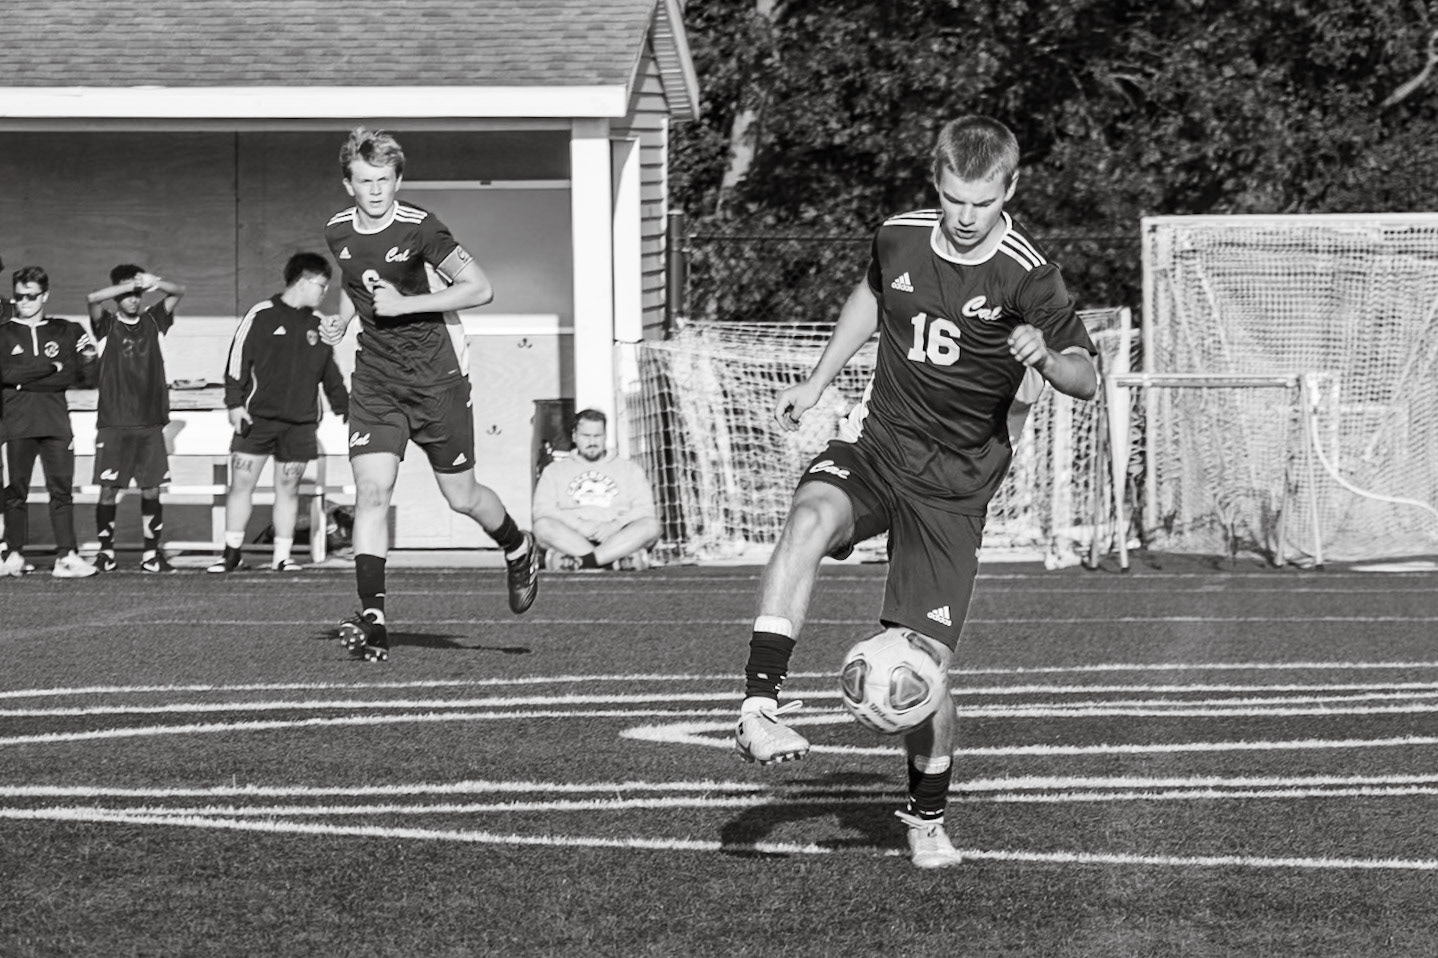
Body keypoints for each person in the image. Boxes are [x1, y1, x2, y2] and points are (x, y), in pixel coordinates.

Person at [731, 116, 1098, 869]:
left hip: (954, 492)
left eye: (983, 202)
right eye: (955, 199)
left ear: (1010, 190)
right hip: (879, 450)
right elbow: (872, 297)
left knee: (924, 668)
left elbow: (1085, 376)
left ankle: (926, 816)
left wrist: (1048, 359)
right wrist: (818, 380)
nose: (967, 217)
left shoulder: (1030, 276)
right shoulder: (899, 236)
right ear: (937, 185)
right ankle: (758, 708)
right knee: (807, 516)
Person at [319, 127, 540, 663]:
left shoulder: (421, 228)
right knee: (372, 493)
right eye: (365, 180)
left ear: (399, 180)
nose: (376, 190)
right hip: (376, 379)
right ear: (348, 184)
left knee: (461, 497)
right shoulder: (336, 231)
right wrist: (340, 321)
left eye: (385, 180)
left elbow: (480, 287)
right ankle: (374, 616)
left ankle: (517, 544)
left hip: (437, 376)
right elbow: (354, 287)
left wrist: (405, 305)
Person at [208, 252, 350, 574]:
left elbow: (331, 374)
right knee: (242, 484)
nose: (324, 294)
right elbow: (237, 362)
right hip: (257, 420)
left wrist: (345, 408)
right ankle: (231, 553)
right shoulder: (261, 315)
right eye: (322, 286)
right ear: (302, 281)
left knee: (289, 489)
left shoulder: (318, 325)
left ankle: (282, 557)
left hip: (299, 424)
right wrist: (234, 404)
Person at [86, 263, 186, 573]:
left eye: (137, 294)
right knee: (109, 489)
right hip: (114, 421)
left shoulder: (154, 320)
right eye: (128, 294)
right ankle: (106, 552)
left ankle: (151, 554)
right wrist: (126, 285)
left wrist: (153, 282)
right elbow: (92, 298)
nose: (134, 299)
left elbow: (178, 292)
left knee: (151, 488)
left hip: (149, 422)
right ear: (118, 294)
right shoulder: (106, 324)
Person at [0, 267, 99, 577]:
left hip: (56, 422)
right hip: (16, 423)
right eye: (19, 296)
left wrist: (28, 378)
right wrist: (51, 368)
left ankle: (66, 556)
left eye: (31, 296)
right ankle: (13, 554)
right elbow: (5, 375)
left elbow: (77, 374)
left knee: (62, 491)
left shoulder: (66, 329)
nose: (24, 301)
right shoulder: (3, 332)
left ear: (44, 296)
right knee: (15, 491)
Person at [532, 408, 661, 571]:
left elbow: (645, 510)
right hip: (573, 537)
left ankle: (584, 562)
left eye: (597, 436)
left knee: (651, 526)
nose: (592, 442)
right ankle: (612, 561)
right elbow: (542, 510)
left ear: (605, 436)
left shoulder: (629, 469)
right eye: (586, 436)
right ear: (574, 436)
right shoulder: (554, 470)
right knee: (542, 527)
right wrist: (579, 525)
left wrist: (615, 526)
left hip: (618, 536)